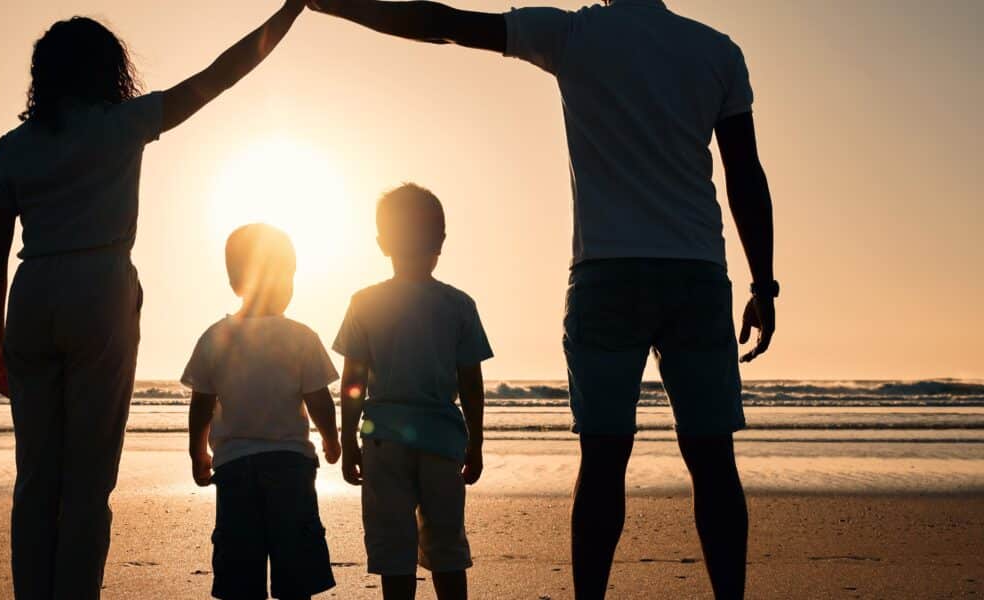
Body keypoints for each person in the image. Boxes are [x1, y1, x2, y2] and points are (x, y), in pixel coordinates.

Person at [306, 1, 777, 599]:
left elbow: (445, 23)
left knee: (603, 460)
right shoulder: (716, 50)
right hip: (696, 273)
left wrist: (337, 4)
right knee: (713, 461)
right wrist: (763, 283)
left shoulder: (575, 33)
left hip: (608, 276)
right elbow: (746, 174)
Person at [0, 3, 310, 598]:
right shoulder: (122, 124)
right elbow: (220, 75)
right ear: (109, 70)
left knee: (37, 477)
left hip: (33, 291)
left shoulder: (12, 148)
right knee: (88, 478)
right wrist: (290, 11)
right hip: (100, 288)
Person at [335, 184, 492, 600]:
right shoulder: (458, 304)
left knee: (394, 548)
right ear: (440, 240)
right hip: (441, 437)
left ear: (383, 242)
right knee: (446, 546)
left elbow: (352, 380)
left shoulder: (365, 302)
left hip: (384, 438)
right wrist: (476, 441)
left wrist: (348, 439)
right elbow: (470, 383)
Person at [182, 224, 341, 600]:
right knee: (296, 571)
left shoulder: (216, 336)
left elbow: (202, 402)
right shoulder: (300, 336)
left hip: (235, 467)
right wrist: (334, 440)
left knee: (240, 571)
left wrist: (197, 451)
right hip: (290, 466)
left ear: (235, 280)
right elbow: (319, 398)